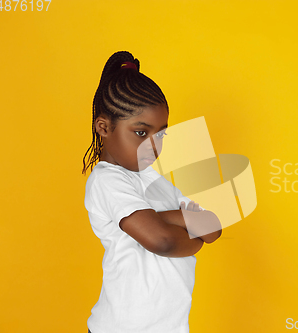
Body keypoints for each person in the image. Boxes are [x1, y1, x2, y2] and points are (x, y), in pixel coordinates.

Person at [82, 51, 222, 333]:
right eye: (141, 133)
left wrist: (167, 220)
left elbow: (213, 227)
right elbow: (164, 242)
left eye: (161, 134)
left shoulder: (155, 179)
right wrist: (188, 228)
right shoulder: (107, 181)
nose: (154, 146)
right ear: (104, 127)